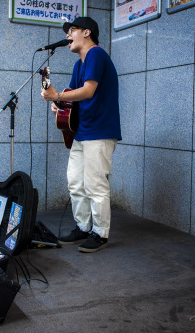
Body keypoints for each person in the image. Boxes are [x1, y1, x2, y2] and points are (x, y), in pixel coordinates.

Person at [41, 17, 122, 253]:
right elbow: (71, 97)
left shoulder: (96, 54)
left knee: (95, 185)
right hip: (82, 132)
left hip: (100, 131)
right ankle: (83, 227)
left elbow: (88, 91)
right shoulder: (79, 65)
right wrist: (58, 102)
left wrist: (58, 97)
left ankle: (100, 233)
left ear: (87, 32)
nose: (67, 35)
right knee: (76, 182)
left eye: (71, 30)